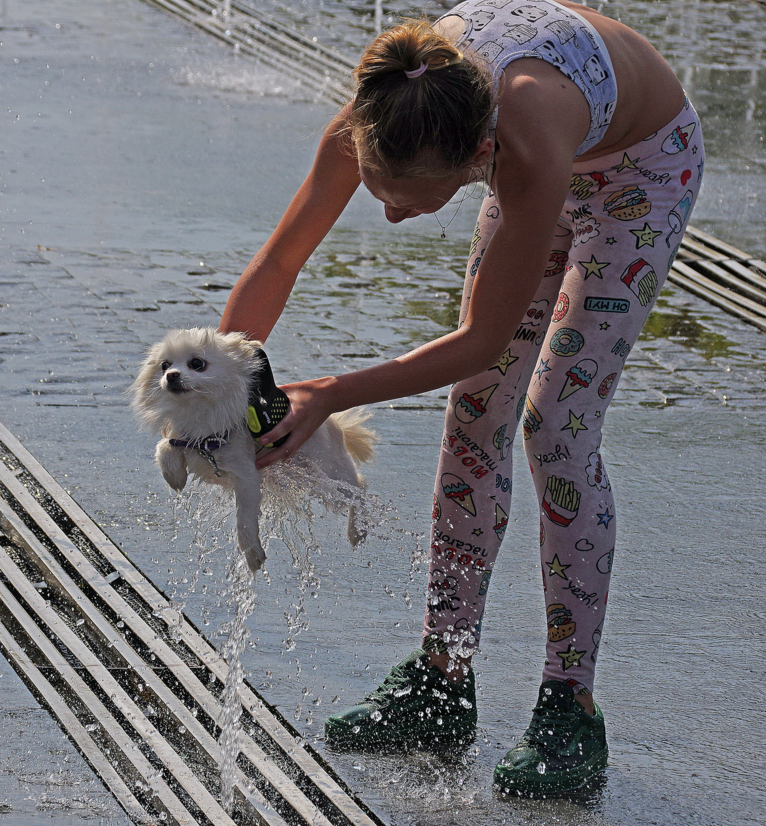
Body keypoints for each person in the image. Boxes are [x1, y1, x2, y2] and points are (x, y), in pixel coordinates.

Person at [219, 0, 703, 797]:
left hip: (641, 170)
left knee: (555, 426)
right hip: (537, 146)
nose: (389, 210)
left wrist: (330, 393)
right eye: (378, 187)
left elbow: (479, 339)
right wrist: (222, 385)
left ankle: (569, 706)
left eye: (410, 198)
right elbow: (279, 264)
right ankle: (442, 680)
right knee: (477, 412)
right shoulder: (387, 113)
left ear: (475, 158)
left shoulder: (522, 143)